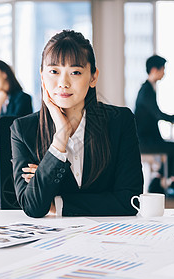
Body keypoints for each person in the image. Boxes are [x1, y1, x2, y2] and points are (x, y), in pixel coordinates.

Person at [10, 30, 144, 218]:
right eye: (54, 71)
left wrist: (57, 203)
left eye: (75, 72)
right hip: (50, 242)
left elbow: (130, 201)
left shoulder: (119, 121)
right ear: (42, 76)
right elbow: (33, 206)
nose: (63, 83)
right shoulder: (24, 130)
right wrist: (60, 139)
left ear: (93, 77)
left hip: (108, 237)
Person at [134, 55, 174, 198]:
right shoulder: (146, 90)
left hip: (148, 139)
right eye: (163, 69)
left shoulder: (147, 88)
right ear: (155, 70)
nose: (164, 73)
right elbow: (160, 116)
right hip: (144, 142)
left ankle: (158, 180)